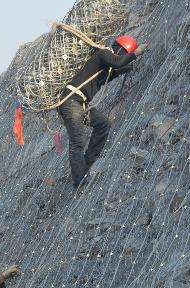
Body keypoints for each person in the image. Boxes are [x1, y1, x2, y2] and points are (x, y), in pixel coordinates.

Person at [58, 35, 146, 187]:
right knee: (78, 141)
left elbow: (112, 72)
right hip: (71, 102)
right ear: (121, 50)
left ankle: (85, 167)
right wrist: (135, 54)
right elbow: (118, 62)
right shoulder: (103, 53)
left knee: (103, 124)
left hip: (81, 104)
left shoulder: (105, 66)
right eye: (125, 54)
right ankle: (79, 181)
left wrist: (129, 67)